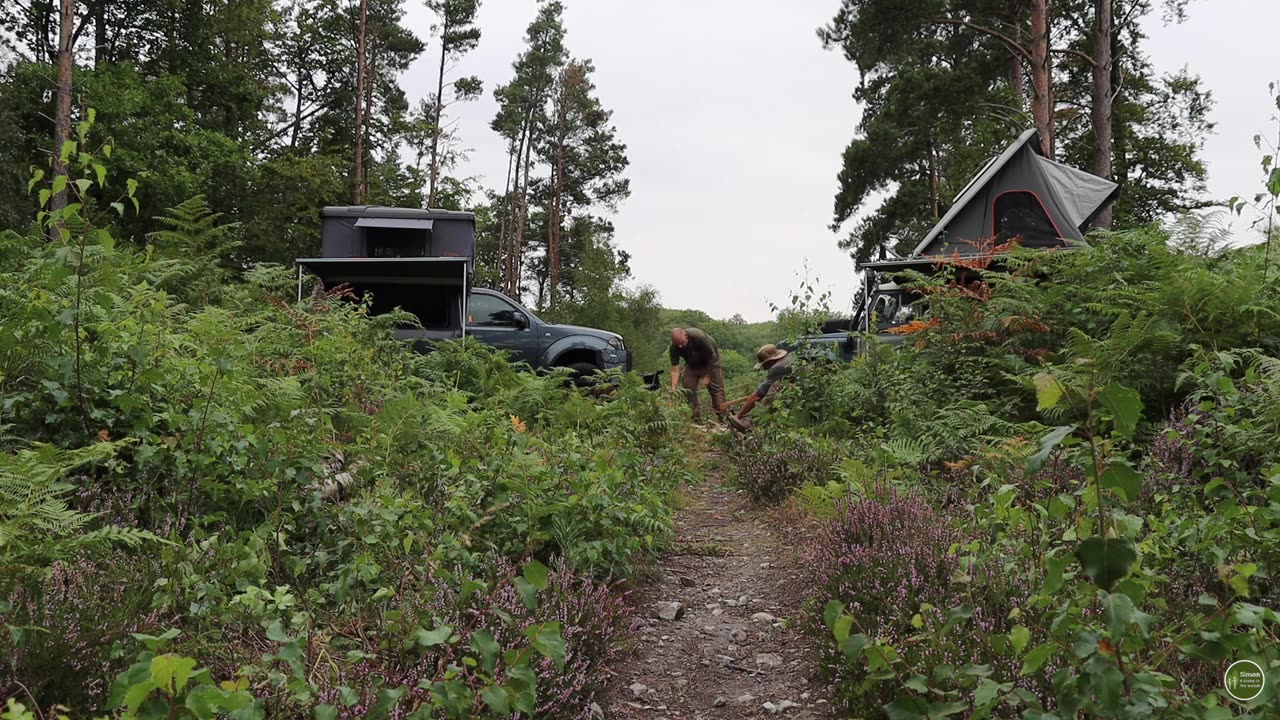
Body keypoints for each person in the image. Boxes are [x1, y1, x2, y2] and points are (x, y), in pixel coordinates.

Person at [726, 344, 793, 431]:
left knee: (772, 391)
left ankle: (759, 423)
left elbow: (758, 395)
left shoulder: (777, 368)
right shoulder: (790, 357)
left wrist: (739, 415)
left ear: (770, 361)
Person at [668, 327, 727, 423]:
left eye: (682, 343)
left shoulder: (699, 337)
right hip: (693, 364)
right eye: (677, 345)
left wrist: (707, 376)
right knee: (688, 387)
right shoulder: (674, 347)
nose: (680, 347)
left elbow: (712, 356)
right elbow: (675, 370)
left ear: (686, 336)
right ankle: (696, 419)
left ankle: (723, 419)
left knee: (717, 390)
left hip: (710, 361)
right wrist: (673, 388)